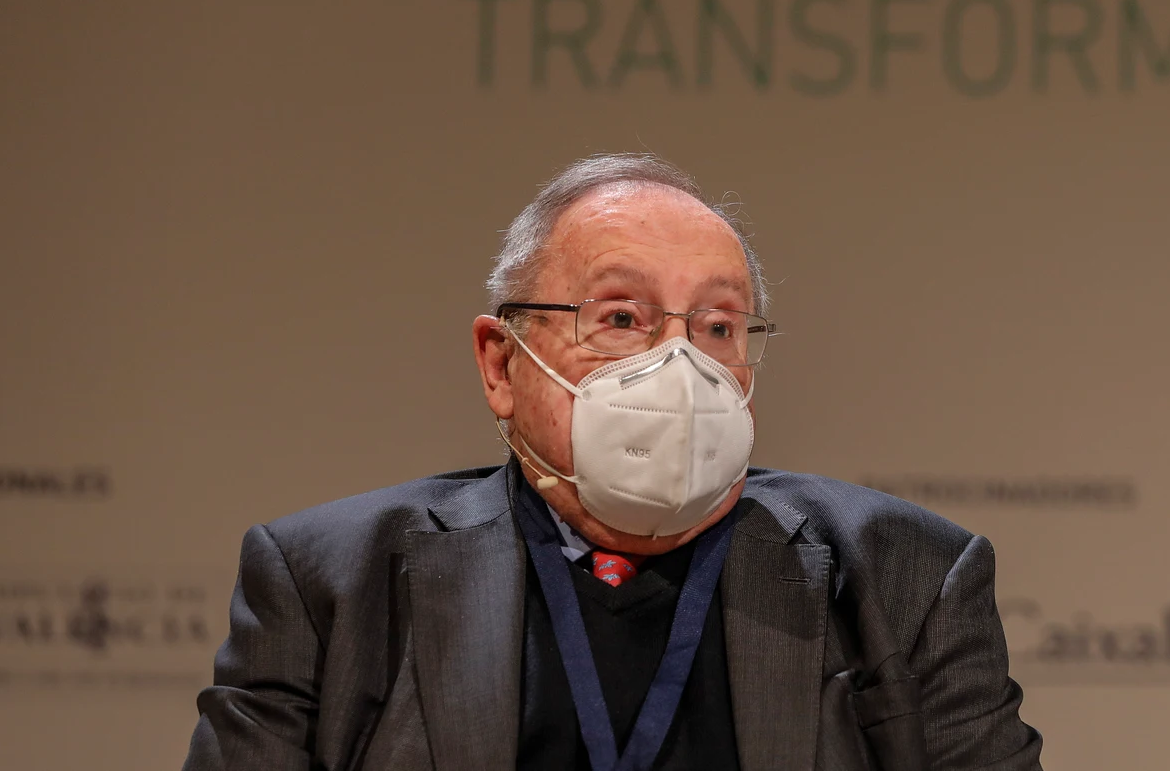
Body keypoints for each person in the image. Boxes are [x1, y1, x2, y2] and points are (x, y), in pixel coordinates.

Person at [183, 154, 1042, 771]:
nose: (681, 364)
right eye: (623, 318)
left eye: (717, 326)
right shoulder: (330, 581)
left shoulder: (905, 574)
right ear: (501, 363)